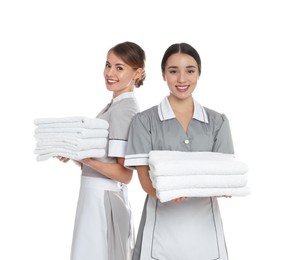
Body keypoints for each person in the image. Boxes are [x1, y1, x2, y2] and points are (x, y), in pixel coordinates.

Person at [124, 43, 234, 260]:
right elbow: (144, 180)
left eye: (190, 71)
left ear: (199, 74)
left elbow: (225, 173)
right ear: (164, 74)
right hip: (161, 228)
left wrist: (226, 185)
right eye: (173, 71)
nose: (182, 79)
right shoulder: (144, 121)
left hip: (205, 232)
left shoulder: (217, 122)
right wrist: (165, 193)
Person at [57, 41, 146, 260]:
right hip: (94, 196)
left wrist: (85, 158)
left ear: (137, 73)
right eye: (108, 65)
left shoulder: (125, 110)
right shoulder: (114, 105)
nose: (110, 73)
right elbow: (101, 159)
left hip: (104, 198)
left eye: (119, 67)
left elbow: (125, 174)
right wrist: (75, 155)